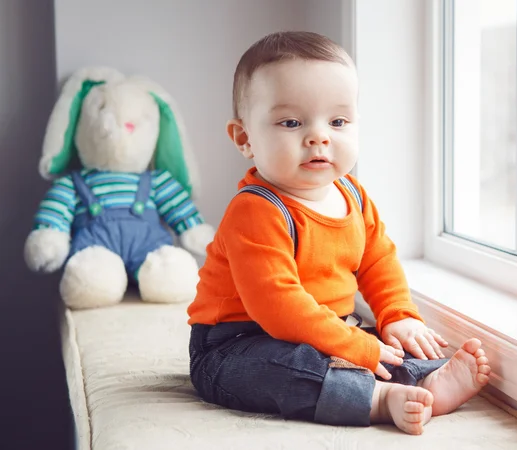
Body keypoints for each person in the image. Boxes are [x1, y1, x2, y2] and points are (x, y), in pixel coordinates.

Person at [187, 31, 491, 435]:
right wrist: (356, 346)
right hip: (237, 343)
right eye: (292, 122)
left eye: (338, 121)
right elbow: (280, 307)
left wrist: (397, 316)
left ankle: (424, 378)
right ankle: (378, 399)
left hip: (324, 329)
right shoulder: (255, 210)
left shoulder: (352, 194)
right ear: (245, 139)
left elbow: (378, 259)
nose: (319, 136)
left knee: (392, 348)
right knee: (286, 368)